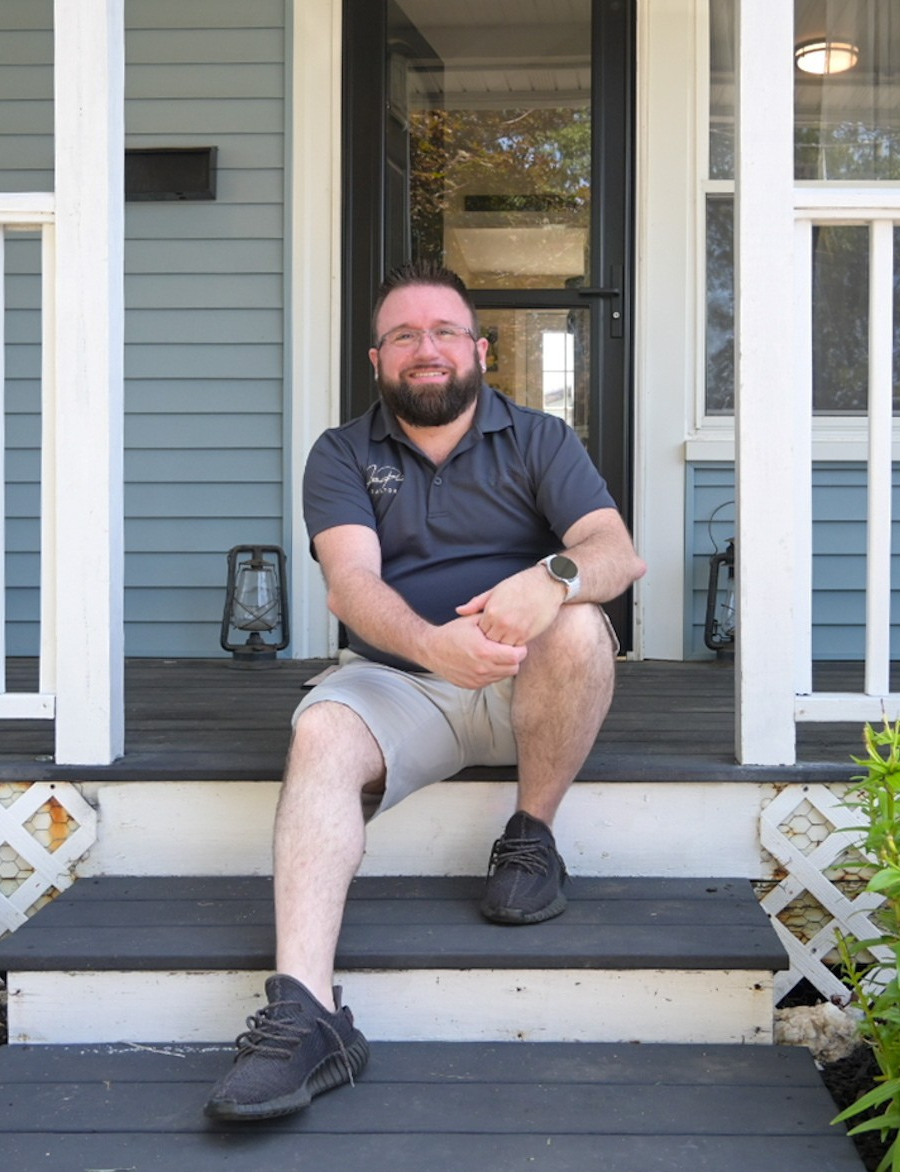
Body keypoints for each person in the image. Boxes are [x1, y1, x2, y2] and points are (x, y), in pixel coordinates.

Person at [203, 263, 647, 1121]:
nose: (427, 349)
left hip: (530, 679)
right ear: (378, 358)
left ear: (480, 349)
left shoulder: (539, 438)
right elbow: (351, 585)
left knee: (586, 624)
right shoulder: (341, 453)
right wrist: (432, 645)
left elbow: (615, 552)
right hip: (403, 682)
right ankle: (306, 1010)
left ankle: (531, 837)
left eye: (444, 331)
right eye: (404, 335)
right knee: (323, 731)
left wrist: (551, 577)